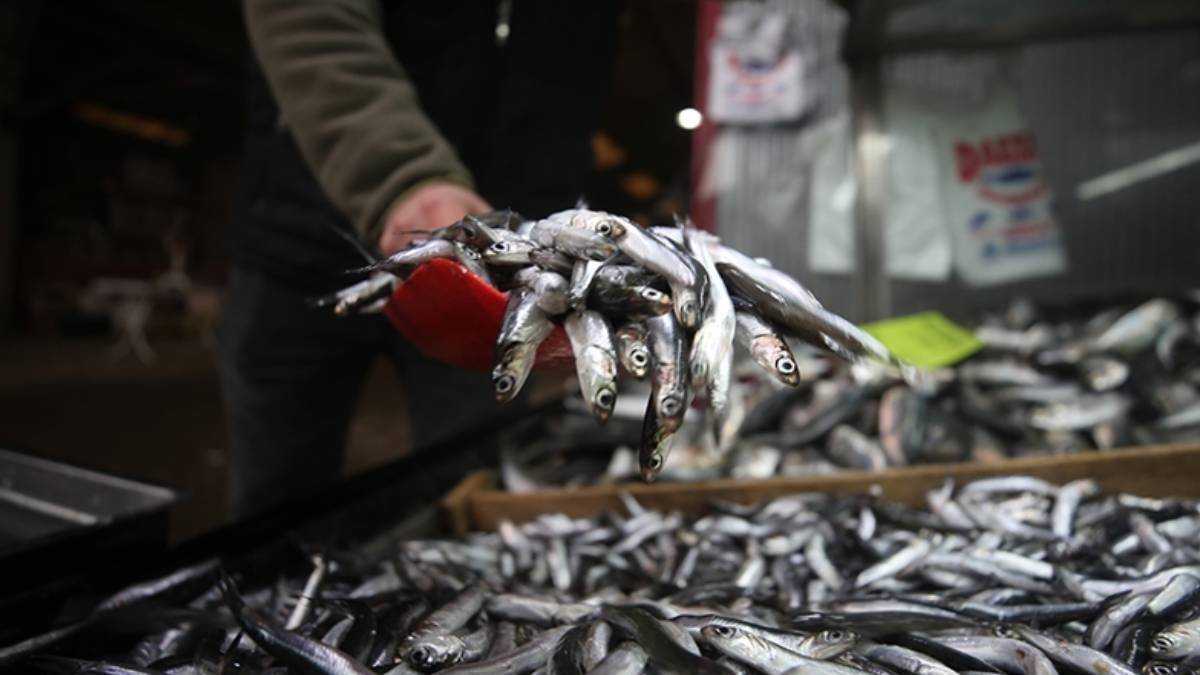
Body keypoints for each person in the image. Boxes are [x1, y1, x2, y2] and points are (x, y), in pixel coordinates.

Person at [221, 1, 620, 518]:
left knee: (468, 494)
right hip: (303, 242)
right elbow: (310, 22)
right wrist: (401, 175)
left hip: (498, 294)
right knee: (276, 504)